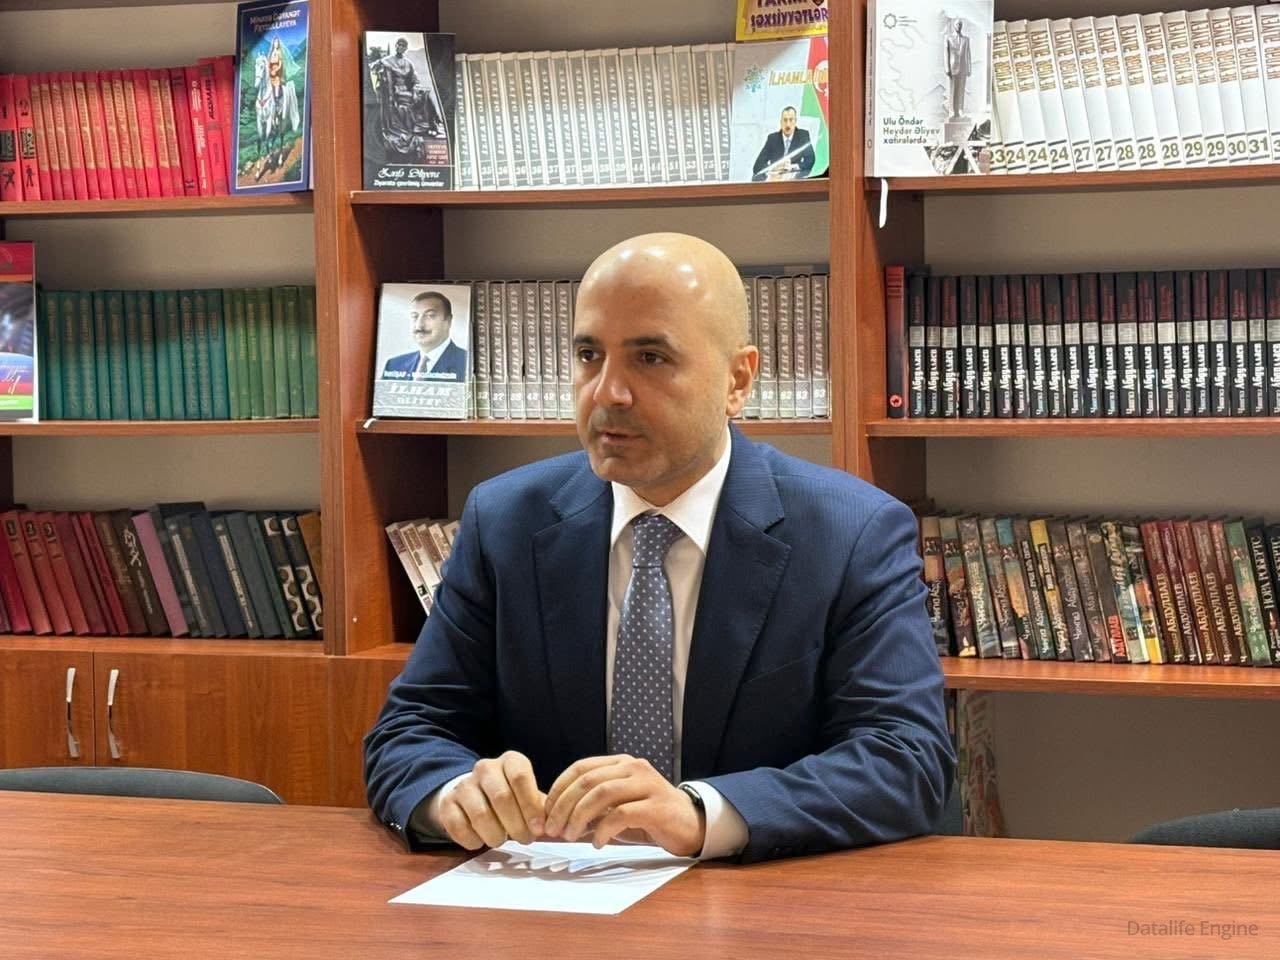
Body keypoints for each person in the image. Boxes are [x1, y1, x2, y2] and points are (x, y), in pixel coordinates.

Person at [364, 233, 953, 863]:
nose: (607, 392)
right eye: (589, 355)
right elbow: (409, 731)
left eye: (650, 357)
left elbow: (905, 758)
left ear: (737, 380)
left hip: (763, 898)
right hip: (553, 897)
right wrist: (455, 794)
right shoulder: (505, 520)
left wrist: (699, 813)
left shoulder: (851, 532)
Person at [381, 289, 468, 381]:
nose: (419, 325)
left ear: (448, 321)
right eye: (415, 316)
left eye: (430, 316)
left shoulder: (466, 363)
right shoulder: (393, 365)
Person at [751, 107, 816, 182]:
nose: (788, 124)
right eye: (785, 120)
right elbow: (757, 166)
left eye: (791, 120)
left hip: (794, 180)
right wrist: (774, 167)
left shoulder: (803, 136)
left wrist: (793, 167)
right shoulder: (772, 139)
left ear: (795, 122)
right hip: (776, 180)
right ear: (781, 122)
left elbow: (810, 160)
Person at [945, 19, 972, 122]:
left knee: (961, 90)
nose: (959, 26)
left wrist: (969, 68)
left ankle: (960, 110)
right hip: (952, 68)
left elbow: (968, 54)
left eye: (960, 24)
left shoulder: (966, 39)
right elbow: (946, 54)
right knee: (953, 90)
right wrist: (947, 67)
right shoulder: (949, 38)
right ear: (954, 26)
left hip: (963, 68)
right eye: (957, 24)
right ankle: (952, 111)